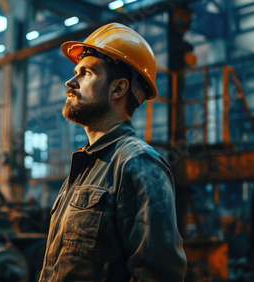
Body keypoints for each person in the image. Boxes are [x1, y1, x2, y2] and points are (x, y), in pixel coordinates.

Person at [39, 23, 187, 281]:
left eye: (86, 73)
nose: (70, 82)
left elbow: (160, 275)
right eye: (75, 71)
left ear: (118, 89)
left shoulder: (138, 163)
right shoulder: (85, 167)